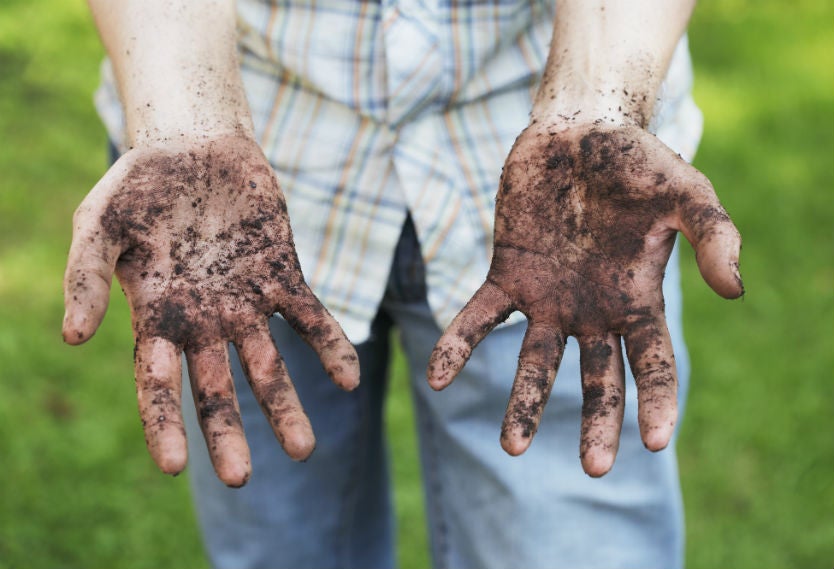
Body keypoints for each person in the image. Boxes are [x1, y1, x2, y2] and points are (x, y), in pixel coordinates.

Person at [63, 0, 743, 567]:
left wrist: (599, 109)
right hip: (229, 207)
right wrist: (184, 120)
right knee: (280, 548)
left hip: (558, 205)